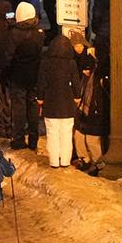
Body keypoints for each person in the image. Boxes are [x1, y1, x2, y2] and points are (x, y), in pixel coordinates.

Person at [37, 33, 81, 169]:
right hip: (67, 104)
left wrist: (40, 98)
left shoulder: (45, 63)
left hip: (50, 103)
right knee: (66, 134)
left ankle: (54, 161)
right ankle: (65, 161)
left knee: (52, 133)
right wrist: (77, 96)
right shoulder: (71, 63)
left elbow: (41, 83)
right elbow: (75, 82)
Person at [5, 2, 44, 150]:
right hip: (34, 74)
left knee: (19, 108)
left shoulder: (14, 33)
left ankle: (19, 138)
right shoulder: (39, 33)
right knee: (33, 106)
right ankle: (33, 139)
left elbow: (7, 55)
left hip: (18, 75)